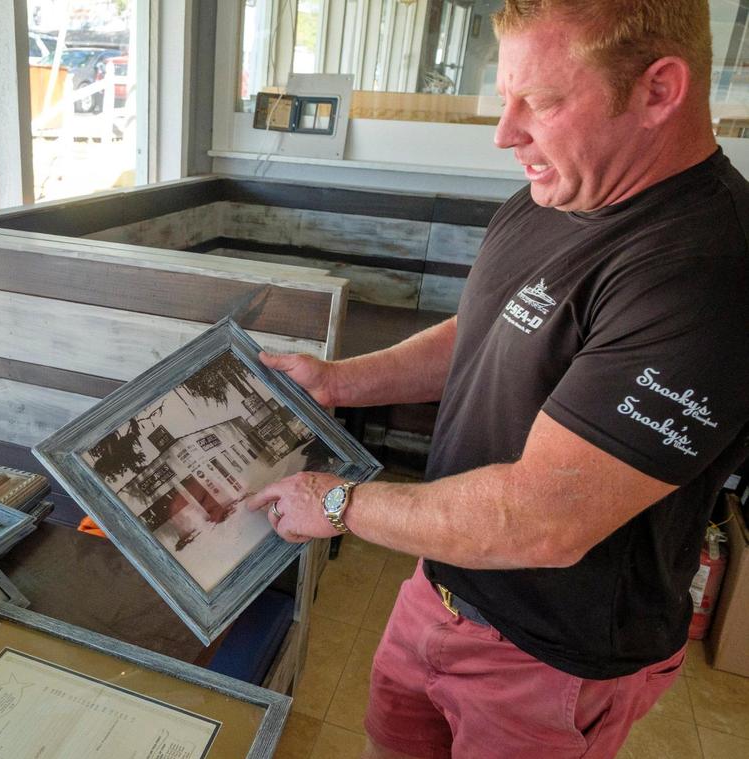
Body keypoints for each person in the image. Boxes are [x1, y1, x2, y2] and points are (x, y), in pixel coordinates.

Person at [244, 2, 749, 757]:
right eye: (504, 97)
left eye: (539, 102)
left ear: (659, 90)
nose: (505, 133)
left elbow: (544, 518)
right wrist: (339, 381)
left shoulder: (708, 271)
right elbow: (481, 331)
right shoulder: (554, 192)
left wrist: (340, 502)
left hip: (552, 656)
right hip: (441, 587)